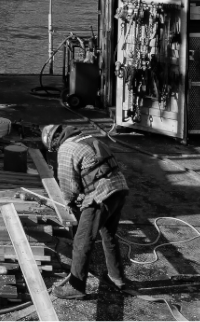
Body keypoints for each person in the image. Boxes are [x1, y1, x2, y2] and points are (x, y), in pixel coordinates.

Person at [41, 124, 130, 300]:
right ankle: (117, 277)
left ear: (53, 143)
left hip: (101, 196)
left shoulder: (66, 149)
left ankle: (76, 287)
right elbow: (93, 168)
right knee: (109, 235)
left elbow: (68, 183)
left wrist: (68, 201)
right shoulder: (84, 137)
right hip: (118, 189)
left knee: (82, 242)